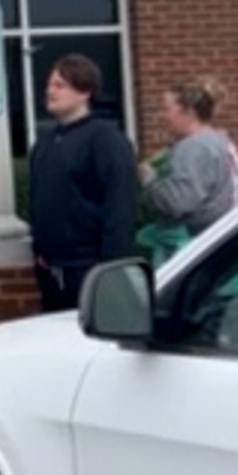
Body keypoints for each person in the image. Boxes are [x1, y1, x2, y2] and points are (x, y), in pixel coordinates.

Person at [26, 54, 139, 312]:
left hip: (88, 266)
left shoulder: (105, 140)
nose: (50, 91)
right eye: (50, 85)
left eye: (59, 85)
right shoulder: (44, 143)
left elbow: (120, 203)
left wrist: (109, 263)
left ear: (85, 91)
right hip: (50, 269)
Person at [140, 76, 238, 252]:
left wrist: (148, 177)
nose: (162, 116)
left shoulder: (194, 147)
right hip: (226, 239)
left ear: (188, 112)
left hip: (199, 246)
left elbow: (176, 203)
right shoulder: (221, 142)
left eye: (167, 109)